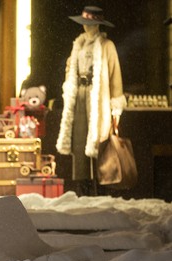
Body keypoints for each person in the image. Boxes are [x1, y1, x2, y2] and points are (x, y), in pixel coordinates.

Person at [56, 6, 126, 196]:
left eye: (91, 24)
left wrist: (115, 108)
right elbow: (71, 68)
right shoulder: (78, 45)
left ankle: (101, 188)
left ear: (98, 25)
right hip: (79, 93)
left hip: (98, 97)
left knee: (99, 141)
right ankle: (82, 188)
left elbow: (115, 76)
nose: (87, 28)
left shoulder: (106, 45)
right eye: (85, 24)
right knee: (79, 141)